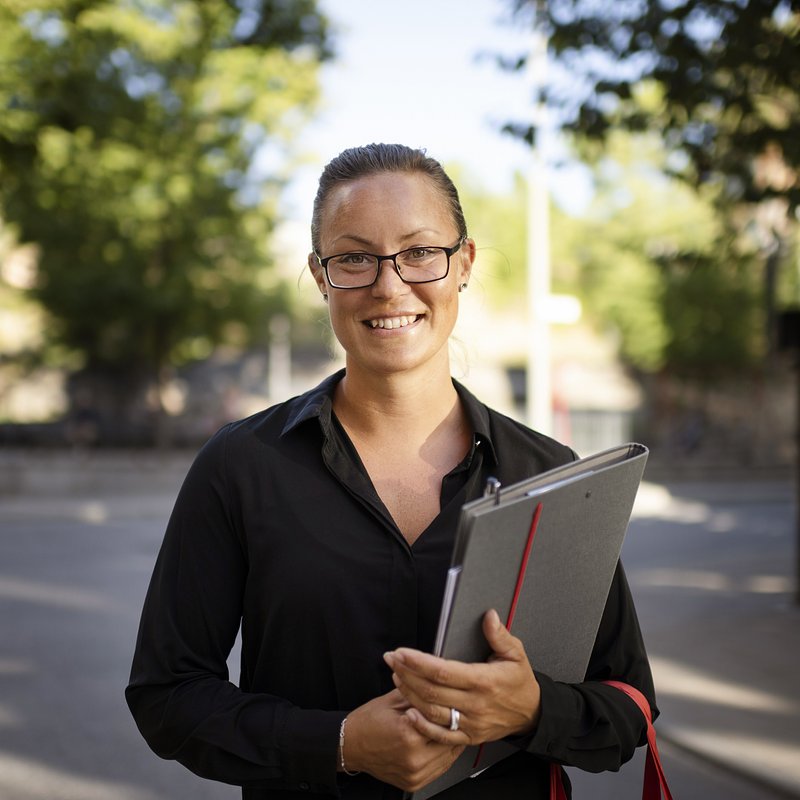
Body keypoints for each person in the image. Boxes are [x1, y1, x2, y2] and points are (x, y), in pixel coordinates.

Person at [126, 143, 656, 799]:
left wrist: (531, 710)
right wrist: (341, 743)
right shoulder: (240, 466)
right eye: (354, 257)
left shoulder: (548, 473)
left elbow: (628, 704)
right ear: (320, 276)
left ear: (464, 262)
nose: (389, 285)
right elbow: (167, 695)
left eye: (420, 252)